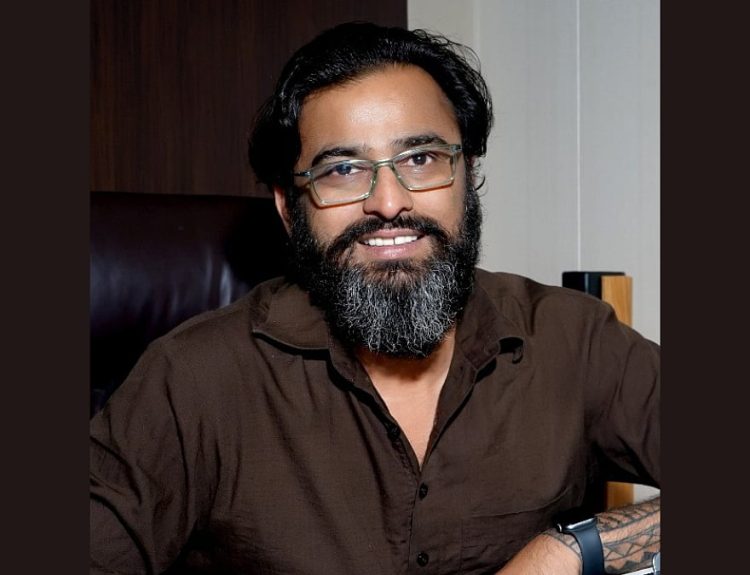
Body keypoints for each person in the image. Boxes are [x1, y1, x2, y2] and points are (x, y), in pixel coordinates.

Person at [90, 21, 660, 575]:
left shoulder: (571, 337)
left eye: (421, 159)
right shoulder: (193, 380)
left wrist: (571, 550)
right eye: (342, 169)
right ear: (290, 207)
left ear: (467, 174)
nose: (389, 202)